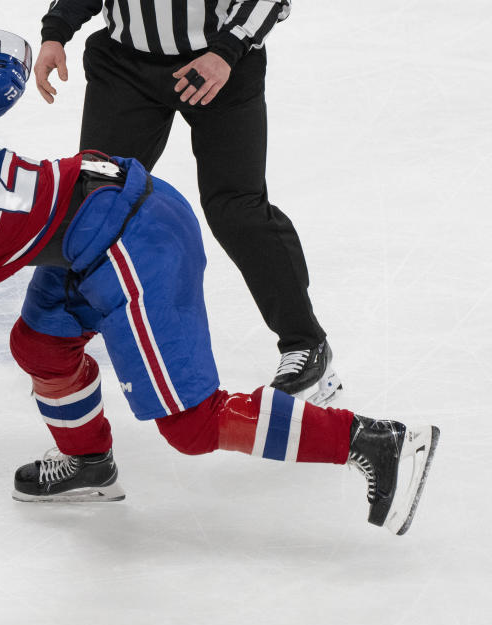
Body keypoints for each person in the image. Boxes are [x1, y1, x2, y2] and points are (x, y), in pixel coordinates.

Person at [0, 96, 438, 536]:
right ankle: (89, 464)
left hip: (131, 238)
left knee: (190, 423)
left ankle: (370, 439)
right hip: (95, 214)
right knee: (39, 344)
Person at [31, 1, 341, 414]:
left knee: (236, 208)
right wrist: (56, 31)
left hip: (222, 65)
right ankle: (58, 347)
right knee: (94, 206)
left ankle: (306, 342)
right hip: (125, 68)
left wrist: (227, 49)